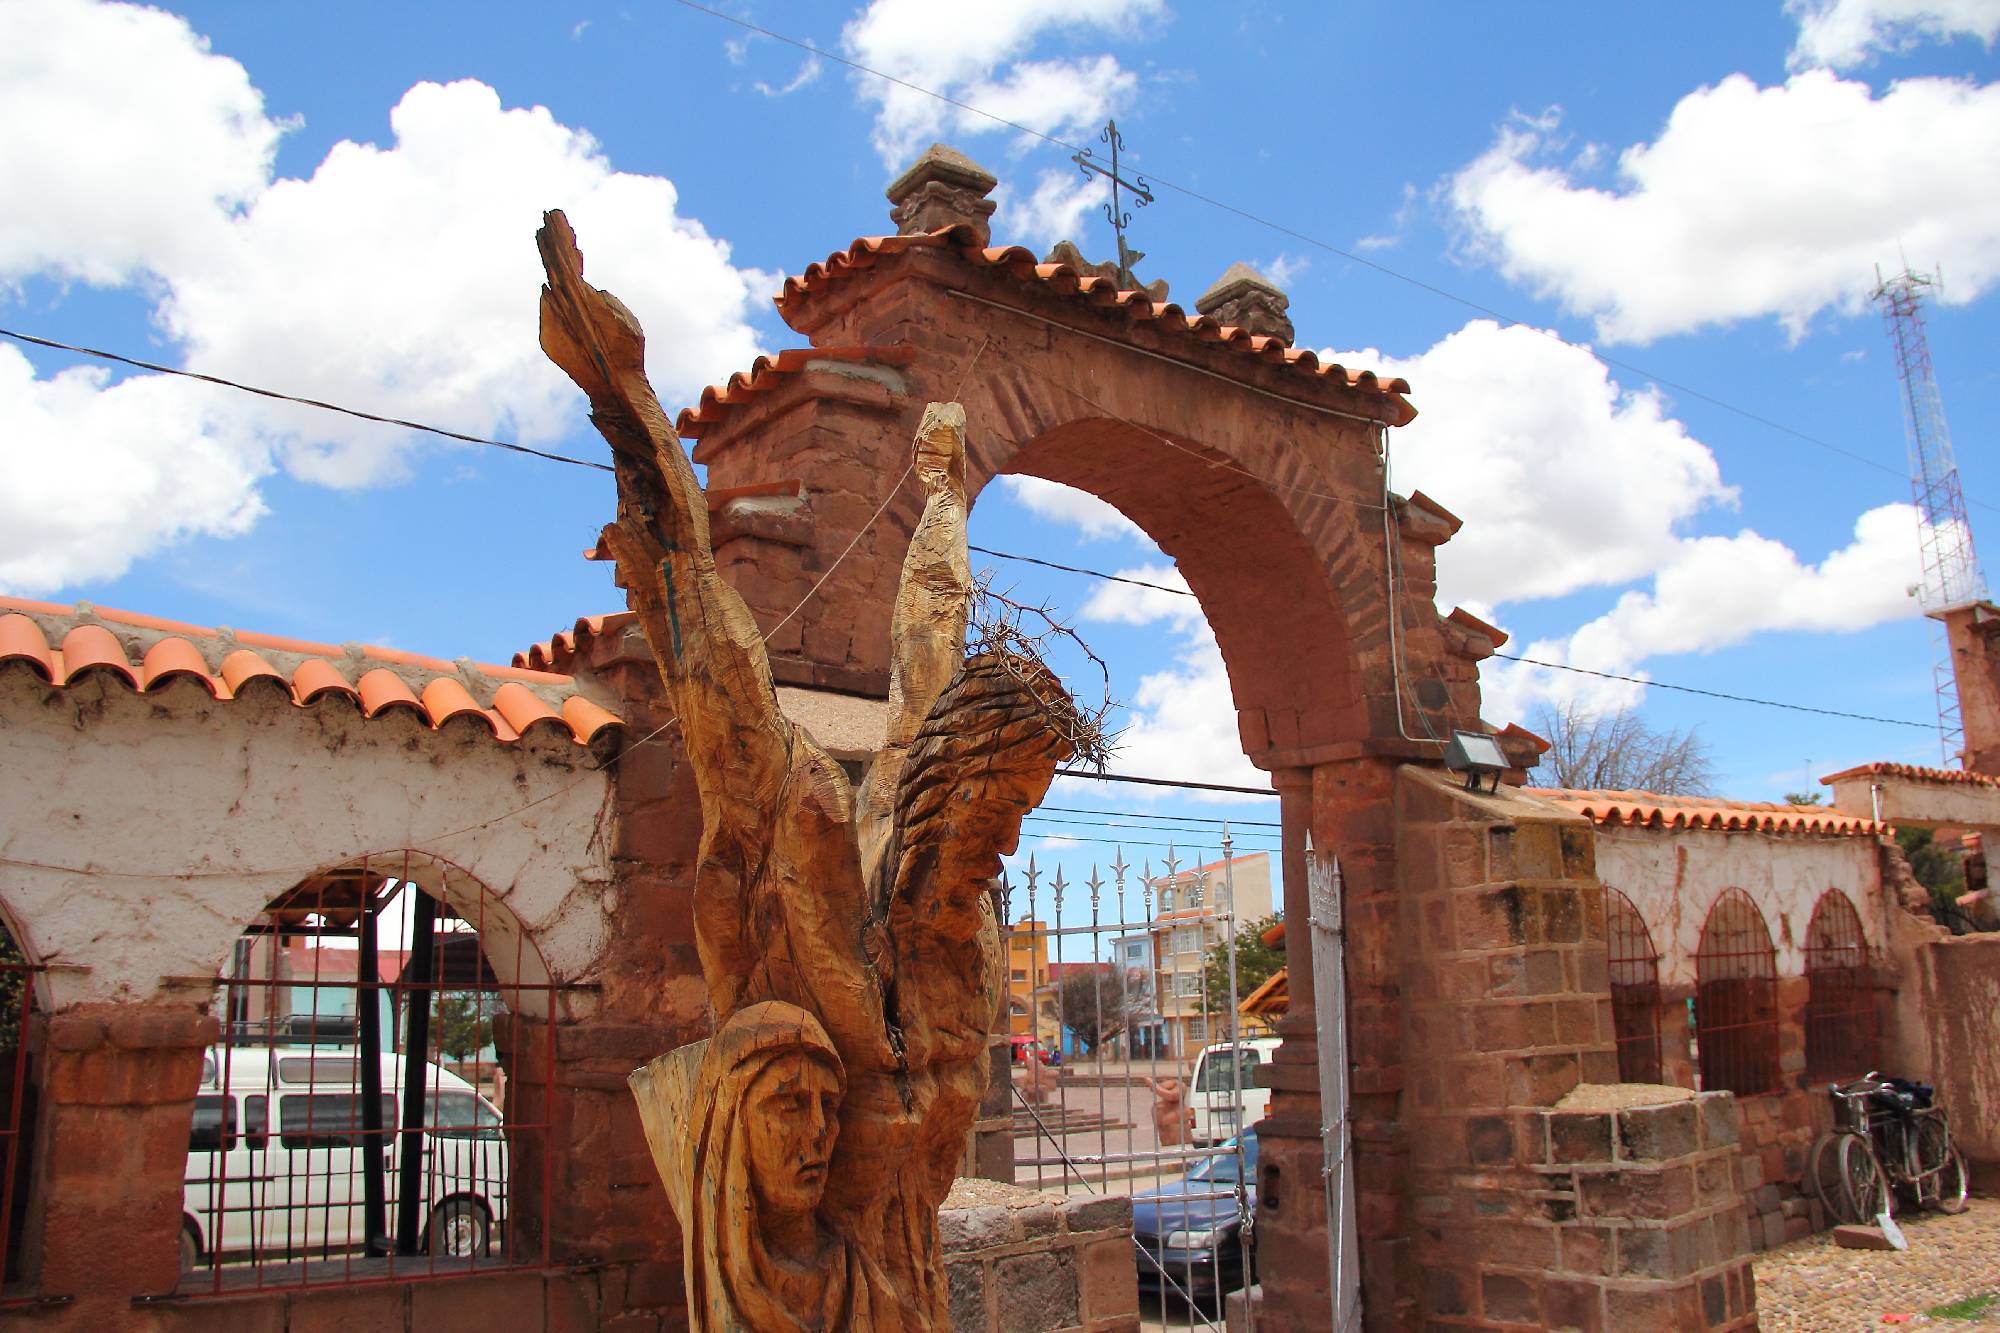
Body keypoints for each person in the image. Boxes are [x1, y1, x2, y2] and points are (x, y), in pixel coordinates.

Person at [632, 1003, 900, 1333]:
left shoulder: (864, 1288)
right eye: (790, 1105)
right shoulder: (717, 1280)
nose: (819, 1130)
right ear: (732, 1127)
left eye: (828, 1105)